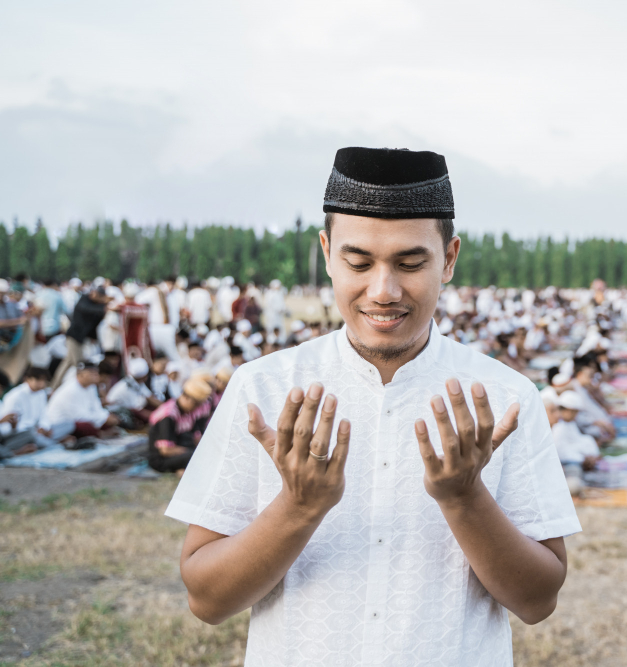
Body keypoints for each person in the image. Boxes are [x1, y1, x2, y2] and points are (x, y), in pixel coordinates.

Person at [165, 147, 579, 665]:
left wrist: (466, 498)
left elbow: (538, 601)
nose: (383, 291)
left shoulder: (506, 399)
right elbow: (207, 599)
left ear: (449, 259)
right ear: (326, 253)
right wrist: (297, 507)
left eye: (410, 263)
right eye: (358, 262)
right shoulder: (263, 390)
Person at [147, 377, 214, 474]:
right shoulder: (168, 415)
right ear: (186, 398)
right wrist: (194, 452)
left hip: (180, 449)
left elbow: (196, 437)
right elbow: (165, 451)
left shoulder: (188, 412)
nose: (197, 408)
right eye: (196, 405)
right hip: (161, 459)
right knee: (193, 456)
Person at [0, 366, 75, 450]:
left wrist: (44, 427)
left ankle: (50, 442)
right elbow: (9, 426)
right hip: (24, 432)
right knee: (31, 435)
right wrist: (36, 430)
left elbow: (44, 414)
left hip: (38, 431)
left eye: (44, 381)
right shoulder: (14, 396)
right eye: (38, 380)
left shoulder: (41, 393)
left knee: (69, 424)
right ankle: (56, 444)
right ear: (27, 379)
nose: (41, 384)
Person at [52, 286, 112, 389]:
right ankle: (74, 387)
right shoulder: (84, 299)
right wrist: (104, 307)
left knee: (67, 363)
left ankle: (55, 386)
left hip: (81, 338)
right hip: (74, 336)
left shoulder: (97, 305)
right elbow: (86, 309)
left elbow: (95, 323)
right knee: (79, 365)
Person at [42, 361, 120, 437]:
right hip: (62, 423)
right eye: (92, 373)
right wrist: (104, 418)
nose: (95, 376)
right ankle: (100, 434)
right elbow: (78, 416)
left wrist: (106, 416)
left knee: (108, 421)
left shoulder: (91, 387)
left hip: (82, 418)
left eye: (96, 373)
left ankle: (101, 432)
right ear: (81, 375)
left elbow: (96, 408)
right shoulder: (71, 389)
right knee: (86, 426)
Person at [551, 390, 601, 469]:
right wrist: (583, 459)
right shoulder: (558, 426)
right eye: (574, 412)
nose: (575, 415)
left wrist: (592, 455)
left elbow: (579, 441)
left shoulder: (570, 423)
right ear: (568, 411)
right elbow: (561, 453)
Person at [106, 358, 162, 425]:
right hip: (116, 414)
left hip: (129, 411)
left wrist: (167, 408)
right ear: (144, 376)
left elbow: (151, 398)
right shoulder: (126, 387)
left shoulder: (137, 382)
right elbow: (138, 411)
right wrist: (159, 417)